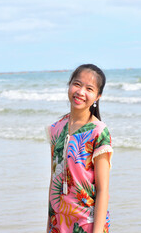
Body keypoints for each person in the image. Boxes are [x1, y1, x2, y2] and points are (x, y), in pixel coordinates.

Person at [46, 64, 113, 233]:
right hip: (59, 222)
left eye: (89, 88)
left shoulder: (98, 132)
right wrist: (49, 226)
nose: (81, 92)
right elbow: (53, 180)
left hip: (87, 223)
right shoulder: (56, 129)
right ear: (69, 85)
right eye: (77, 84)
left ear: (97, 96)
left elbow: (103, 189)